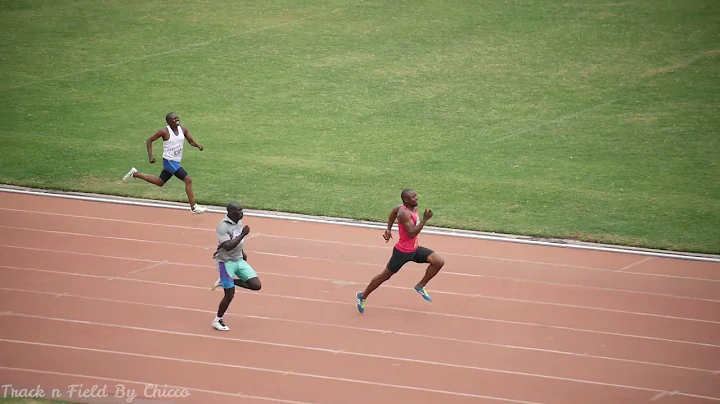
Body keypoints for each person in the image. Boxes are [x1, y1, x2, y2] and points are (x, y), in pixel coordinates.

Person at [356, 189, 445, 313]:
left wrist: (388, 229)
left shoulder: (410, 208)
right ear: (406, 200)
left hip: (414, 249)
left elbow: (392, 213)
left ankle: (420, 286)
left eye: (416, 196)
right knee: (385, 276)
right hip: (402, 252)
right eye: (413, 197)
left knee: (438, 262)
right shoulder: (404, 213)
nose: (417, 198)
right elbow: (411, 233)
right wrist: (425, 219)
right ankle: (362, 295)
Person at [122, 112, 207, 214]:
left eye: (177, 117)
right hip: (169, 161)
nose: (177, 119)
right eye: (174, 119)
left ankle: (135, 173)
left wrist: (198, 146)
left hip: (175, 161)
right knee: (188, 179)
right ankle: (193, 207)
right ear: (169, 122)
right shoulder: (164, 131)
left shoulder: (183, 129)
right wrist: (150, 156)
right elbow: (149, 140)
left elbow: (191, 141)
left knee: (159, 182)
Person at [210, 201, 262, 331]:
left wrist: (242, 252)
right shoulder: (222, 227)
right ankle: (217, 320)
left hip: (238, 260)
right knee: (229, 295)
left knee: (256, 285)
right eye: (238, 211)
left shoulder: (238, 221)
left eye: (242, 210)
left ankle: (225, 281)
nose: (242, 213)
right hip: (226, 262)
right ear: (230, 213)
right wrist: (243, 234)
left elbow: (236, 240)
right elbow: (227, 246)